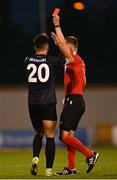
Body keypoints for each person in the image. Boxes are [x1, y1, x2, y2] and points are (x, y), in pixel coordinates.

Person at [51, 15, 99, 175]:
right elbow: (83, 81)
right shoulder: (79, 61)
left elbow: (64, 45)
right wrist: (71, 93)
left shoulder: (73, 58)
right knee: (69, 135)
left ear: (72, 47)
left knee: (63, 136)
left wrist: (57, 26)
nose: (63, 47)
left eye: (66, 46)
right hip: (77, 99)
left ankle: (90, 154)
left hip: (74, 101)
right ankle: (71, 168)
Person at [25, 33, 74, 176]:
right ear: (47, 47)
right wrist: (59, 43)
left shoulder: (27, 60)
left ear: (35, 47)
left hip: (32, 103)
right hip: (47, 102)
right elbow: (70, 59)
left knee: (38, 132)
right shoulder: (51, 60)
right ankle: (48, 170)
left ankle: (35, 158)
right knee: (50, 135)